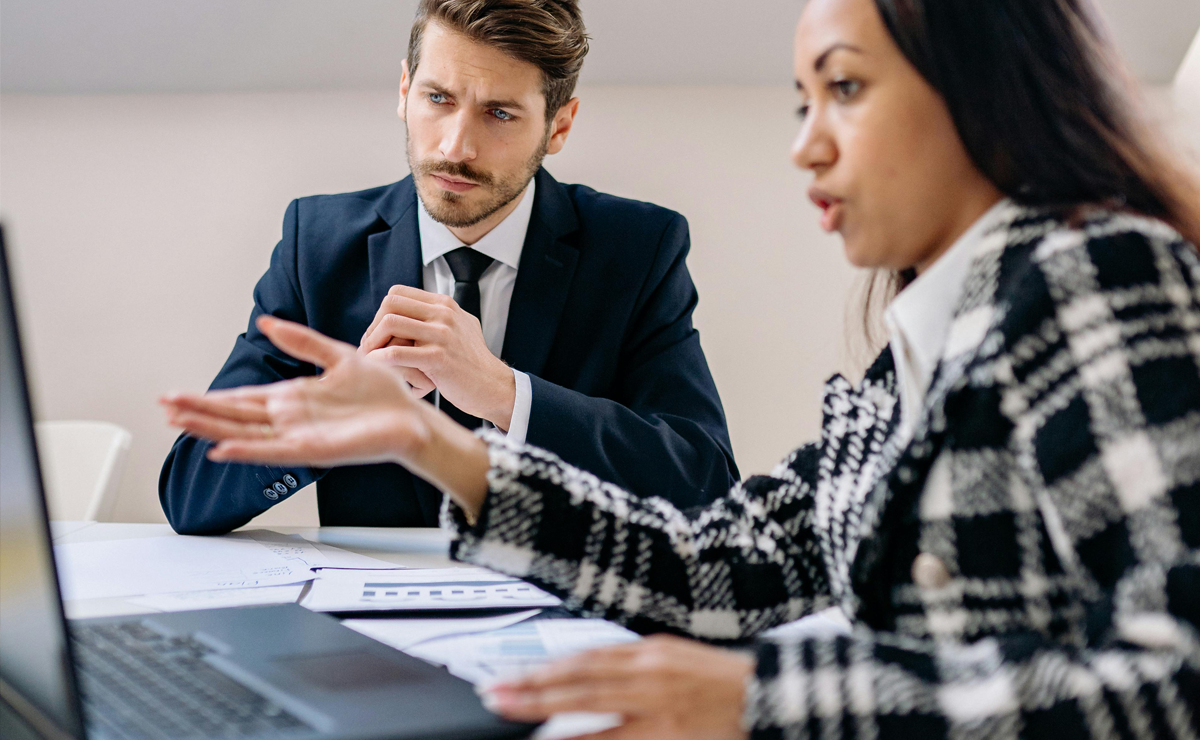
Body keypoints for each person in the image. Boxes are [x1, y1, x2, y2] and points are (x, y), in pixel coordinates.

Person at [162, 0, 1200, 736]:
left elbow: (1179, 680)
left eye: (844, 88)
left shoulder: (1101, 278)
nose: (805, 147)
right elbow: (728, 565)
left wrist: (761, 699)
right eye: (803, 102)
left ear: (985, 92)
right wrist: (436, 448)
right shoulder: (927, 342)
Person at [158, 0, 739, 534]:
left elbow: (708, 484)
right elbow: (189, 493)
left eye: (499, 113)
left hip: (557, 602)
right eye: (438, 99)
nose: (455, 148)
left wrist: (506, 394)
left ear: (559, 126)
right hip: (372, 607)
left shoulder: (638, 249)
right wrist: (330, 416)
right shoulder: (317, 244)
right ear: (404, 90)